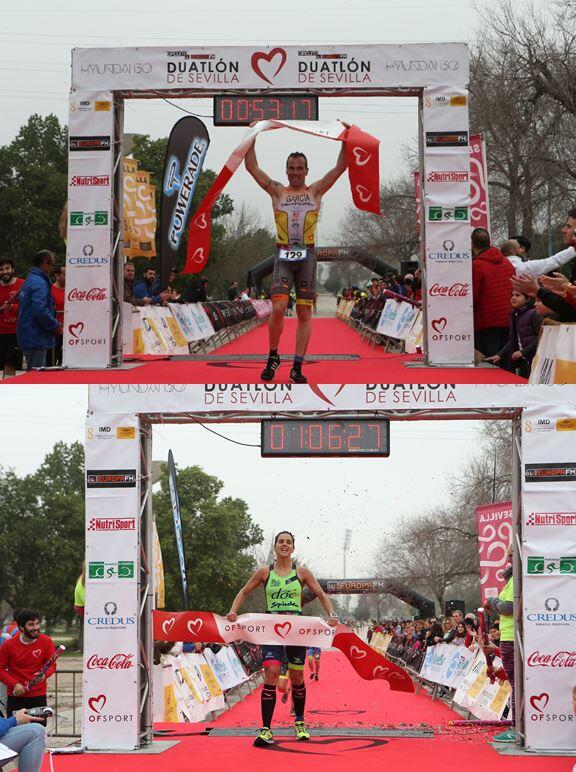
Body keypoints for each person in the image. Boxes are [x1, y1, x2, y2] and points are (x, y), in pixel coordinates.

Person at [245, 142, 348, 383]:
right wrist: (252, 135)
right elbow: (251, 167)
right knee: (279, 308)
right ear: (286, 170)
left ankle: (298, 366)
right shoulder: (278, 192)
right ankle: (273, 356)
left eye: (299, 168)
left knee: (303, 312)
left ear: (306, 171)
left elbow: (340, 167)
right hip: (283, 254)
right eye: (291, 168)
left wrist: (345, 139)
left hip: (308, 257)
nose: (295, 172)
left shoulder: (315, 191)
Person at [226, 531, 339, 747]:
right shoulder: (264, 572)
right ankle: (266, 729)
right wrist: (233, 611)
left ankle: (300, 722)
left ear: (293, 548)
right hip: (272, 629)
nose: (284, 545)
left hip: (296, 629)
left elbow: (321, 594)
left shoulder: (302, 572)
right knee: (272, 673)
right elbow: (244, 591)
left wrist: (332, 614)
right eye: (281, 542)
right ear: (275, 546)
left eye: (288, 542)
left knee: (297, 677)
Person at [0, 609, 56, 719]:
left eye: (37, 623)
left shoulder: (47, 641)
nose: (36, 627)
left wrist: (45, 675)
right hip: (16, 696)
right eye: (31, 624)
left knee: (39, 729)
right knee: (15, 731)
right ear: (21, 627)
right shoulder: (8, 645)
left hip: (38, 695)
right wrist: (14, 684)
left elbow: (52, 665)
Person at [484, 545, 515, 743]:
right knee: (515, 683)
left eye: (511, 555)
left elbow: (508, 607)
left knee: (516, 684)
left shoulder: (517, 580)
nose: (508, 559)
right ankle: (517, 726)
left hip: (514, 637)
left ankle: (517, 728)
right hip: (509, 636)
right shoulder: (512, 580)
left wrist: (493, 600)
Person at [471, 228, 516, 357]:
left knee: (490, 364)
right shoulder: (507, 262)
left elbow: (474, 295)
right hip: (508, 318)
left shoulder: (477, 265)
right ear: (489, 242)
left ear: (472, 244)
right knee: (506, 362)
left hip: (486, 322)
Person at [16, 251, 60, 370]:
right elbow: (40, 311)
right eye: (52, 265)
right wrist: (55, 325)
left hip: (30, 335)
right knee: (37, 378)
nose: (52, 269)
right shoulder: (39, 284)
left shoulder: (31, 280)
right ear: (45, 263)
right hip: (36, 337)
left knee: (34, 375)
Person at [485, 289, 542, 378]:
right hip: (524, 361)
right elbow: (513, 339)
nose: (513, 298)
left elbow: (542, 337)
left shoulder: (533, 314)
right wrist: (499, 355)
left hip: (535, 359)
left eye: (517, 295)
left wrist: (523, 352)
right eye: (512, 295)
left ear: (527, 299)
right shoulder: (515, 315)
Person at [0, 258, 24, 378]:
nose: (4, 271)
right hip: (1, 333)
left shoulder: (22, 284)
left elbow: (29, 308)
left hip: (16, 332)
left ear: (13, 269)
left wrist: (12, 307)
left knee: (10, 366)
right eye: (1, 269)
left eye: (7, 268)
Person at [49, 264, 65, 366]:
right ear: (57, 276)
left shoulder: (74, 289)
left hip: (72, 332)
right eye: (65, 274)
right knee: (51, 361)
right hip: (55, 330)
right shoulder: (49, 290)